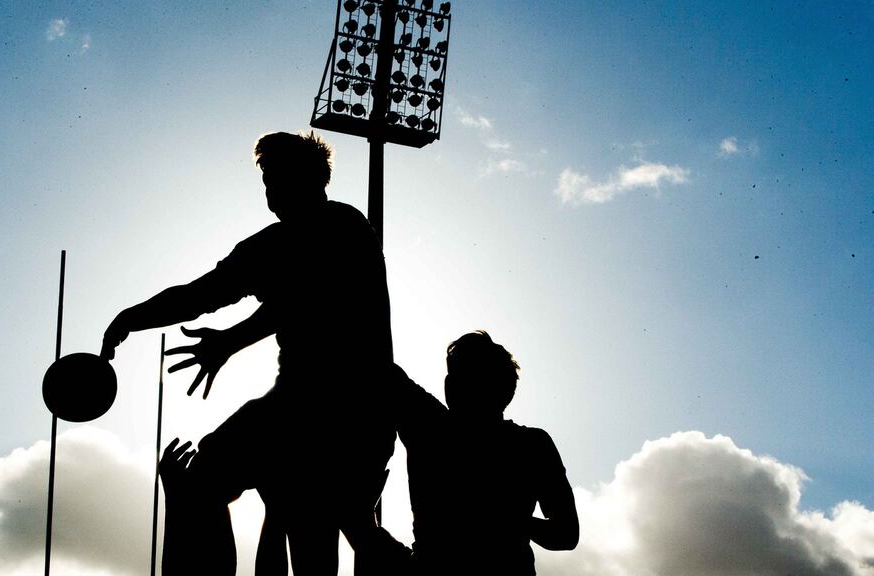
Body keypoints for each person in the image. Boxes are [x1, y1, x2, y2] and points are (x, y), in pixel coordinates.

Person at [101, 131, 395, 576]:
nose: (271, 192)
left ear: (316, 182)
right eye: (267, 182)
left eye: (279, 179)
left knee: (309, 533)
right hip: (294, 408)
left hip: (353, 411)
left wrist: (228, 341)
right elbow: (200, 294)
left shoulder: (345, 227)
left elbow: (307, 295)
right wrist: (131, 317)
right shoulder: (265, 247)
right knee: (205, 483)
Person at [348, 331, 579, 576]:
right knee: (359, 525)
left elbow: (566, 534)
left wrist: (506, 520)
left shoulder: (430, 427)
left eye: (464, 377)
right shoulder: (531, 445)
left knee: (358, 525)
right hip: (439, 565)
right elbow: (566, 534)